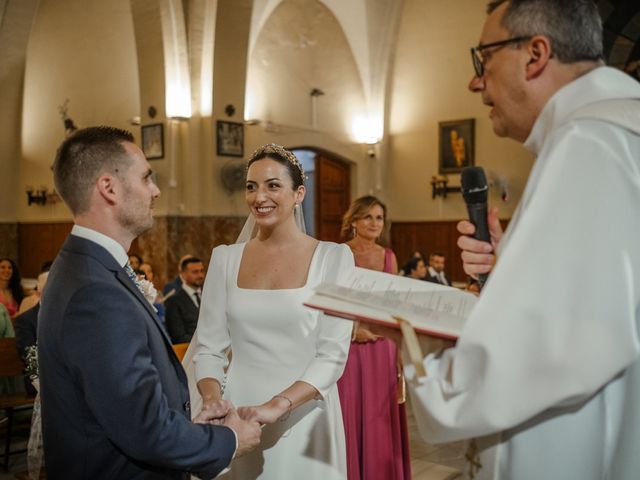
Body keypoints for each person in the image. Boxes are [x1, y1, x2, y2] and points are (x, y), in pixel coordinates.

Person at [407, 1, 640, 479]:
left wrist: (427, 353)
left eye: (483, 58)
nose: (476, 81)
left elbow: (555, 346)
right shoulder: (616, 131)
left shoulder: (589, 143)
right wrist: (509, 262)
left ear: (535, 54)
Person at [39, 126, 261, 479]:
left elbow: (120, 404)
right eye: (146, 178)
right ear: (108, 188)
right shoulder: (95, 293)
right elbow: (145, 430)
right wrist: (229, 439)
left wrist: (188, 425)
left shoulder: (85, 266)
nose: (156, 191)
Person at [187, 144, 354, 479]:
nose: (259, 196)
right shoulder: (225, 258)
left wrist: (278, 405)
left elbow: (332, 355)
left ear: (298, 194)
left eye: (273, 185)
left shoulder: (333, 258)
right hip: (238, 413)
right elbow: (209, 346)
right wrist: (212, 399)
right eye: (251, 186)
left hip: (304, 411)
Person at [338, 195, 411, 480]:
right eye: (367, 216)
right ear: (353, 220)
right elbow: (330, 301)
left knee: (381, 416)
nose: (374, 223)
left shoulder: (388, 256)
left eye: (379, 217)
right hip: (350, 345)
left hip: (384, 347)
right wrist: (353, 330)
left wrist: (401, 351)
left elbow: (394, 307)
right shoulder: (340, 253)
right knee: (351, 412)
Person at [165, 257, 205, 344]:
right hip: (188, 351)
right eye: (195, 272)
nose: (200, 275)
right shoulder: (173, 301)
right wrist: (206, 341)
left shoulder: (208, 295)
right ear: (183, 274)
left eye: (202, 271)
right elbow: (178, 336)